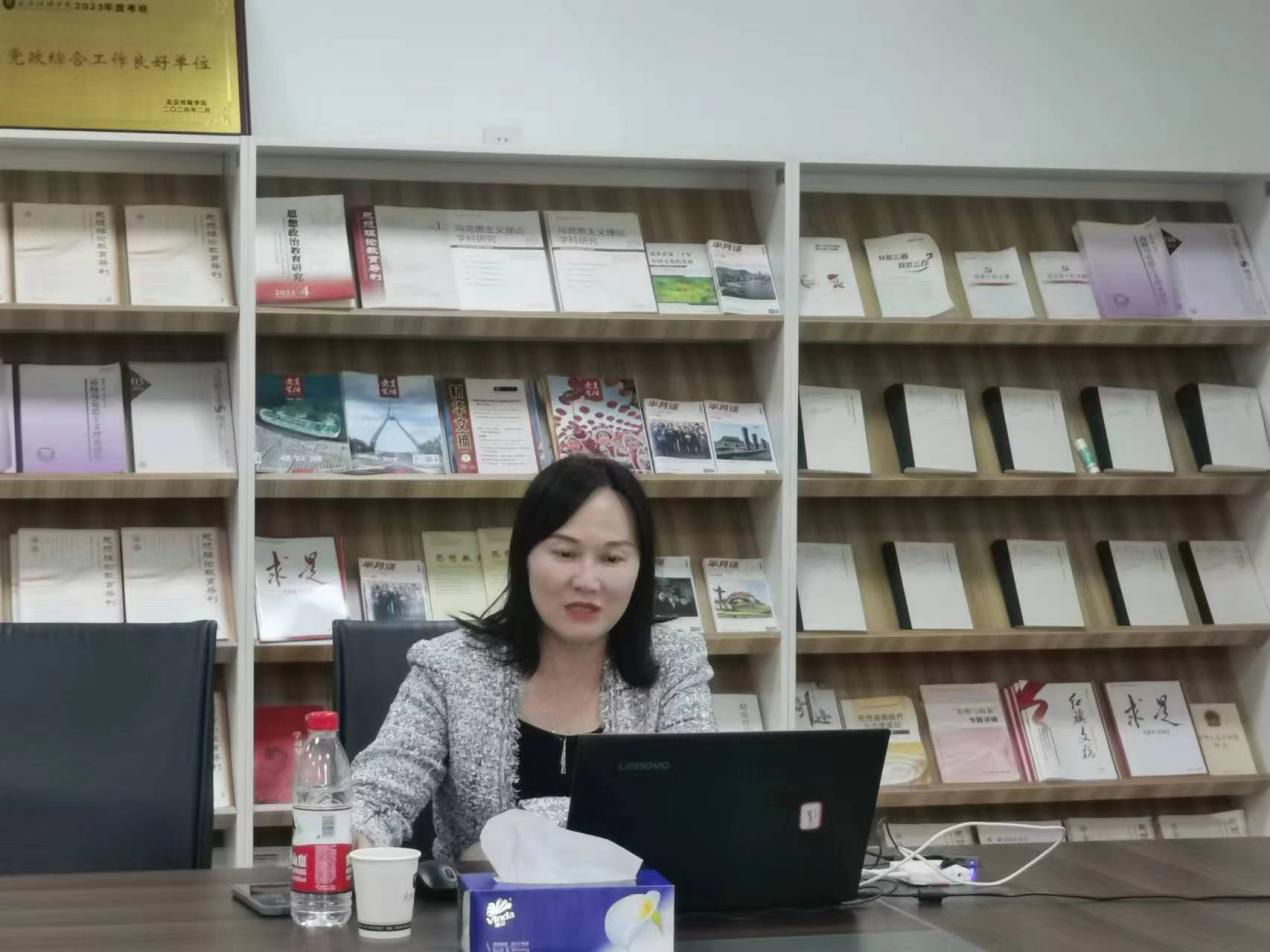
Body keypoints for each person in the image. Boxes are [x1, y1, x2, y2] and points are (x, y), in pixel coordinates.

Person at [351, 455, 717, 861]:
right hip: (481, 902)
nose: (587, 580)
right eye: (565, 553)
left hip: (638, 901)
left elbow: (696, 803)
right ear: (524, 555)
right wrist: (353, 833)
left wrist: (499, 843)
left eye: (612, 558)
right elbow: (378, 796)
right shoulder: (448, 667)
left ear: (640, 568)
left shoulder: (675, 661)